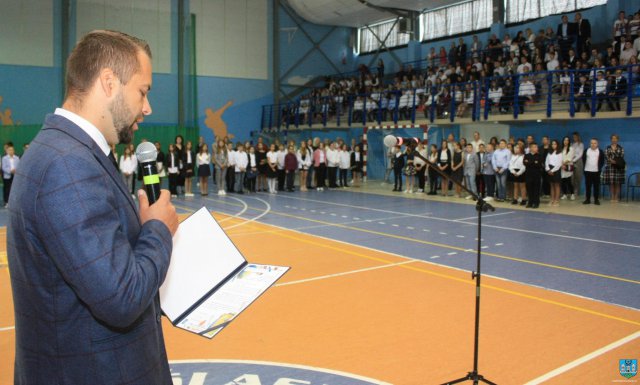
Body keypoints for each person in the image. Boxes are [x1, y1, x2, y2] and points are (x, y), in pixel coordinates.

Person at [7, 30, 179, 384]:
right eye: (143, 91)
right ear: (108, 82)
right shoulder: (68, 165)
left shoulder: (69, 151)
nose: (147, 108)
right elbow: (122, 296)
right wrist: (158, 229)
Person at [603, 134, 625, 202]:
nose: (614, 140)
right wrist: (611, 160)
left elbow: (621, 156)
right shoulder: (608, 148)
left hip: (618, 167)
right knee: (611, 183)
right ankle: (612, 197)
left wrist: (615, 161)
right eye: (613, 138)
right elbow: (606, 155)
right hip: (610, 167)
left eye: (615, 138)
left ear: (617, 139)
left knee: (617, 183)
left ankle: (616, 197)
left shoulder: (621, 148)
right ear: (611, 139)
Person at [582, 138, 604, 205]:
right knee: (588, 186)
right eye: (592, 143)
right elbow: (583, 159)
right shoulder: (586, 150)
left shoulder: (600, 151)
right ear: (590, 143)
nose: (593, 144)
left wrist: (599, 168)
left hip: (596, 171)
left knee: (596, 186)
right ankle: (587, 199)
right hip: (587, 171)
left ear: (597, 144)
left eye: (595, 143)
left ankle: (596, 200)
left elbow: (602, 161)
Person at [523, 142, 543, 208]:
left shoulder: (539, 156)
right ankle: (530, 202)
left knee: (536, 189)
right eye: (534, 147)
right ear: (530, 148)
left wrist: (529, 162)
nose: (536, 148)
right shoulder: (526, 155)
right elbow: (525, 163)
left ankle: (536, 203)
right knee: (529, 189)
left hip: (537, 175)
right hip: (528, 175)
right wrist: (533, 162)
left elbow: (539, 164)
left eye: (536, 147)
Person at [545, 139, 563, 206]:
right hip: (549, 169)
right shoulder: (549, 153)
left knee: (556, 185)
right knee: (551, 185)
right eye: (552, 144)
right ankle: (552, 199)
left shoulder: (560, 153)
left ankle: (556, 200)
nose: (553, 145)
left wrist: (552, 170)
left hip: (556, 170)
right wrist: (548, 169)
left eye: (555, 144)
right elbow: (546, 161)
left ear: (557, 145)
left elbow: (559, 164)